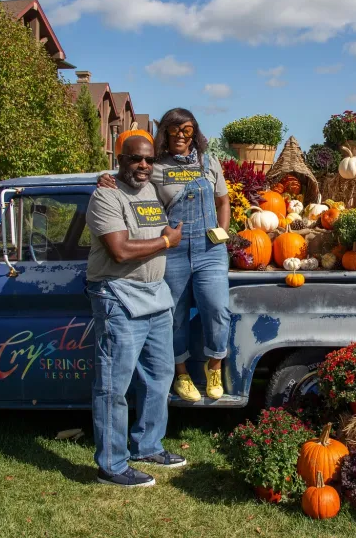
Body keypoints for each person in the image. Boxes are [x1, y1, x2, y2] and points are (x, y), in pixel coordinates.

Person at [99, 108, 231, 403]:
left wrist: (221, 234)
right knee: (174, 315)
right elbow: (127, 180)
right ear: (165, 133)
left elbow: (223, 201)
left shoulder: (209, 163)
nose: (181, 136)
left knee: (217, 308)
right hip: (171, 249)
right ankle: (181, 374)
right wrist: (104, 178)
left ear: (194, 132)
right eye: (174, 130)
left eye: (187, 130)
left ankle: (215, 367)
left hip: (210, 249)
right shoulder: (154, 166)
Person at [87, 135, 186, 488]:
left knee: (159, 376)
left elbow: (189, 176)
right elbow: (119, 250)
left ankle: (147, 446)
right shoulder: (105, 195)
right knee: (114, 385)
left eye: (148, 160)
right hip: (118, 296)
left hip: (156, 296)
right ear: (120, 159)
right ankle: (111, 466)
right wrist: (165, 242)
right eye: (134, 159)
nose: (143, 165)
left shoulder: (149, 190)